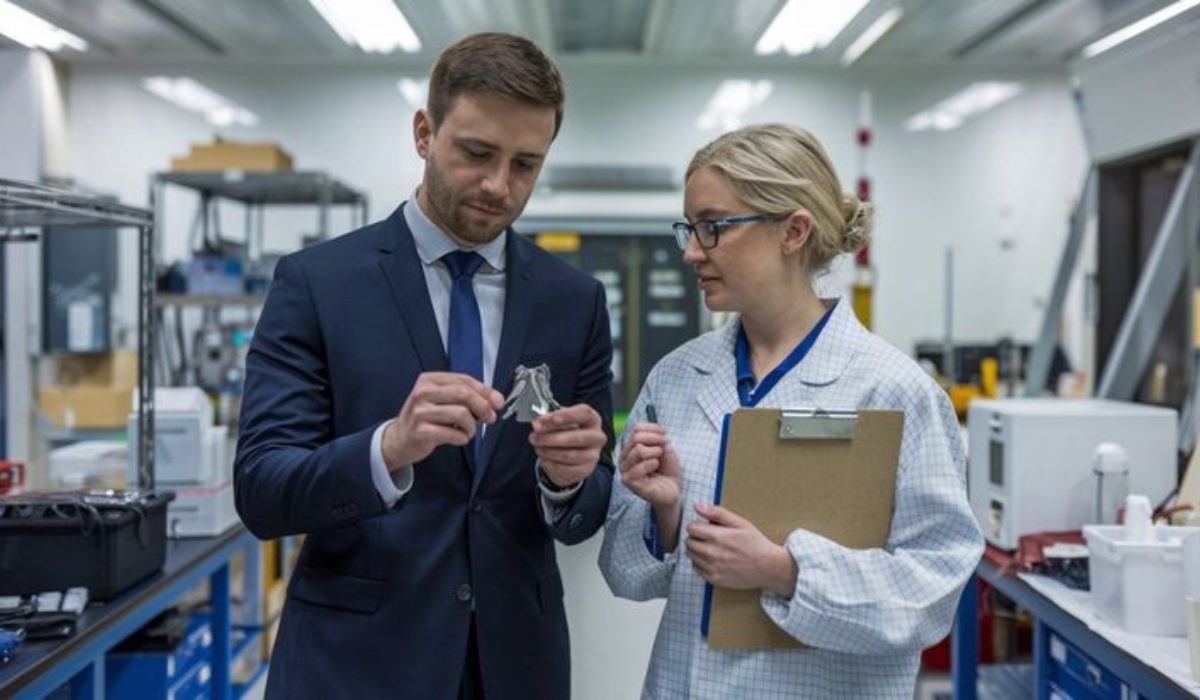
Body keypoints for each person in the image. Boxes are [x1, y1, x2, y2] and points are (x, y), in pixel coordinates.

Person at [234, 32, 615, 700]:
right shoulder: (317, 284)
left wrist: (568, 481)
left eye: (526, 164)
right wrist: (389, 448)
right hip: (355, 667)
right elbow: (263, 491)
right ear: (423, 132)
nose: (500, 186)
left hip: (515, 669)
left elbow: (588, 510)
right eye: (476, 153)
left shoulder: (573, 301)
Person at [598, 123, 983, 698]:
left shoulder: (894, 390)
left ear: (794, 231)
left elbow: (933, 591)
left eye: (713, 227)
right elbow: (624, 575)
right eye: (690, 227)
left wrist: (786, 572)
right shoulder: (676, 378)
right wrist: (666, 518)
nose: (690, 250)